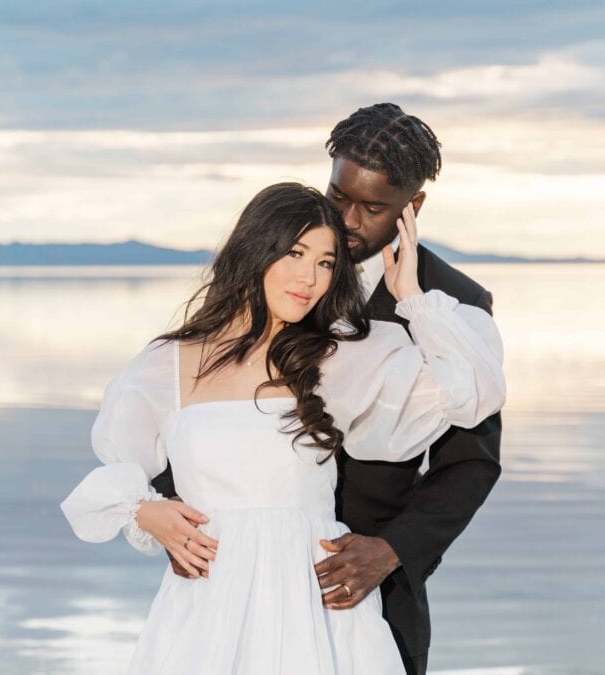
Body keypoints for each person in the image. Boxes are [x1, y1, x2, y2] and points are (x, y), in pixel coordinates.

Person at [61, 182, 505, 674]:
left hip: (316, 605)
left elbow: (469, 395)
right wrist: (147, 511)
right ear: (255, 250)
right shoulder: (166, 364)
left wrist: (412, 298)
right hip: (210, 606)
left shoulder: (337, 356)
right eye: (296, 253)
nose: (309, 278)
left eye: (325, 262)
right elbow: (117, 469)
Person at [159, 103, 503, 675]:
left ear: (412, 206)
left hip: (365, 587)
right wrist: (176, 516)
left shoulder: (454, 305)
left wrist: (392, 553)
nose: (346, 219)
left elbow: (472, 461)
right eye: (338, 195)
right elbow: (185, 397)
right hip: (235, 582)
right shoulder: (274, 268)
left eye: (372, 208)